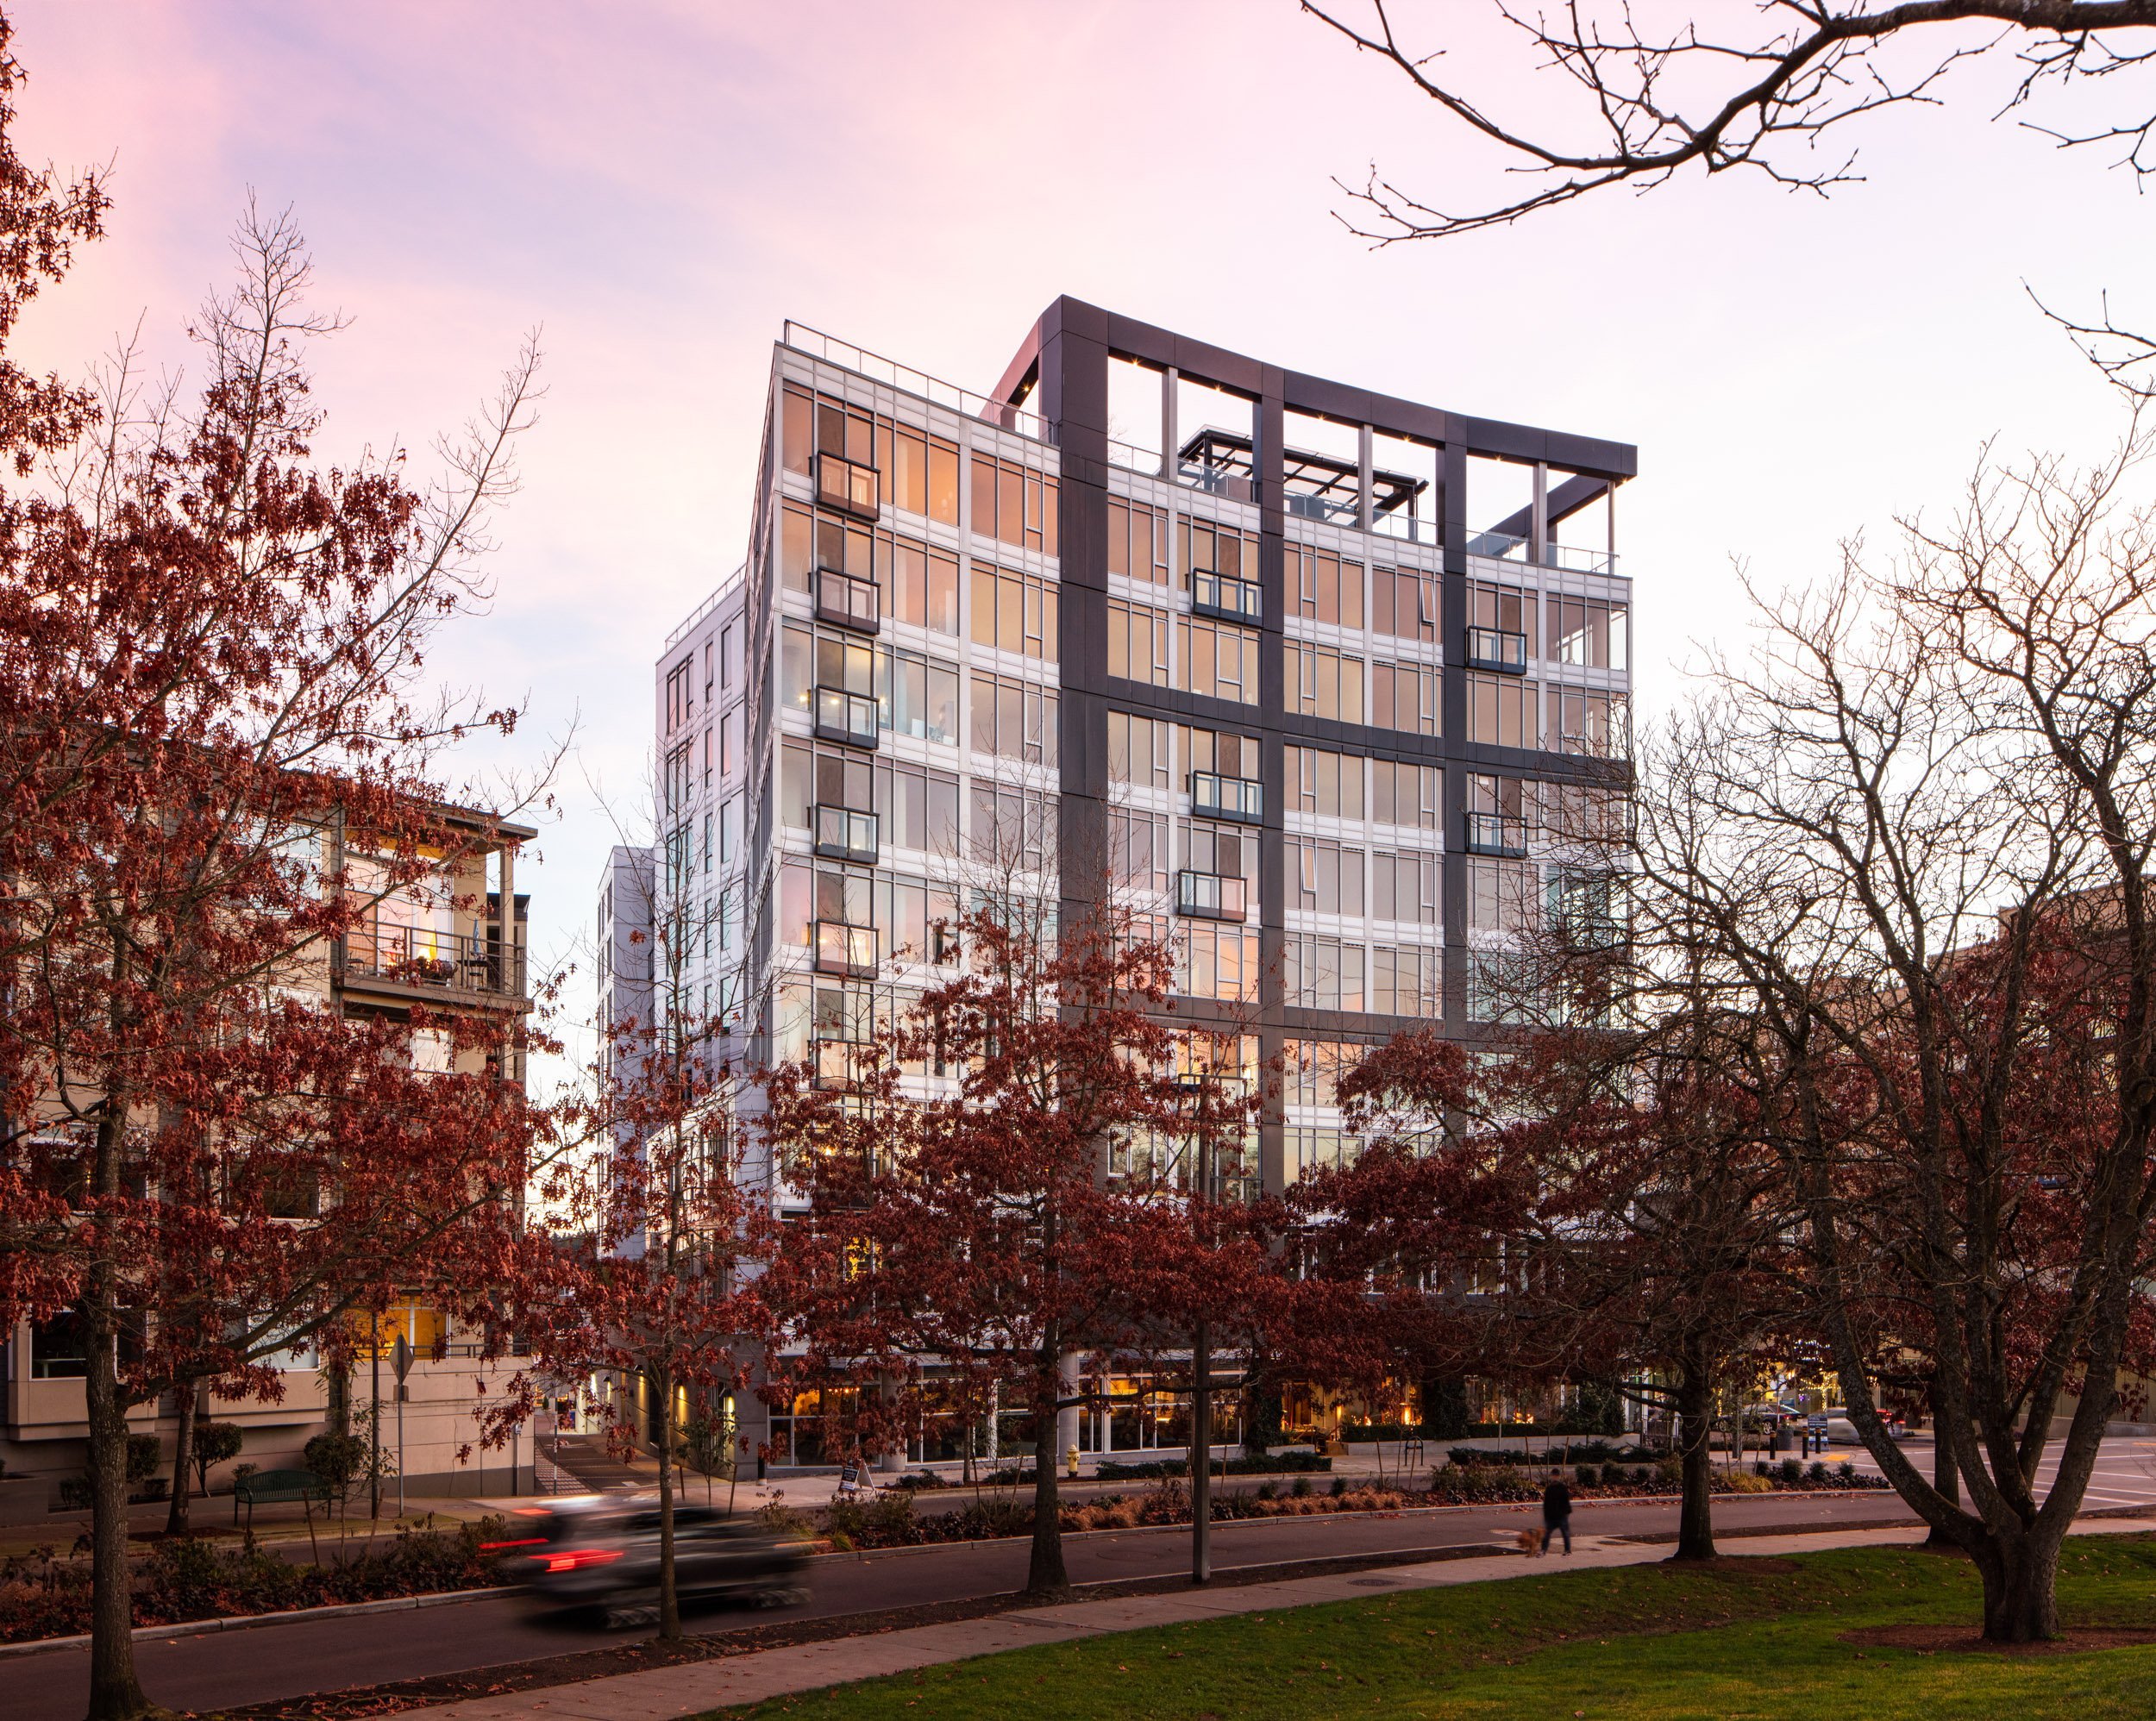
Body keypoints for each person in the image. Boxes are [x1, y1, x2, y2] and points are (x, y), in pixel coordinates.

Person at [1541, 1474, 1572, 1555]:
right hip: (1552, 1515)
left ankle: (1567, 1550)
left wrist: (1566, 1512)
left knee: (1565, 1533)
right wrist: (1546, 1514)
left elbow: (1566, 1501)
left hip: (1561, 1515)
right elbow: (1546, 1503)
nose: (1554, 1478)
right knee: (1547, 1533)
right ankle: (1543, 1549)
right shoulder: (1550, 1488)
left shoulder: (1562, 1488)